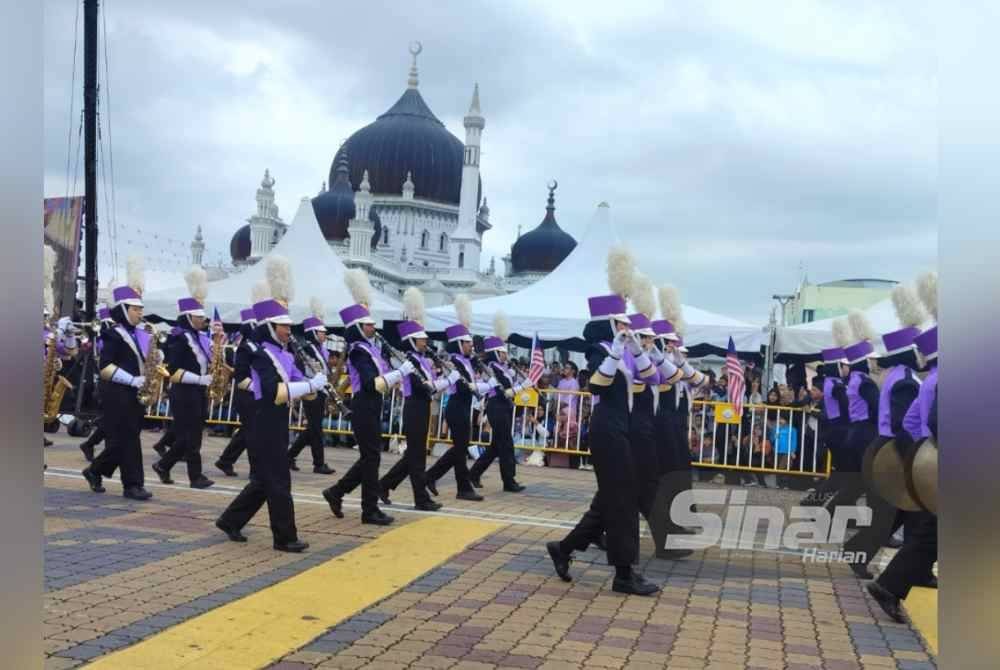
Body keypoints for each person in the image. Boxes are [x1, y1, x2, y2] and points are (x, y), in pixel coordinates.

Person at [547, 288, 659, 596]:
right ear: (608, 323)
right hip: (606, 430)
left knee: (613, 499)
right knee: (622, 500)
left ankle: (564, 547)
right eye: (621, 323)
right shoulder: (598, 350)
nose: (627, 328)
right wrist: (616, 350)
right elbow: (596, 385)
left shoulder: (623, 349)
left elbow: (652, 378)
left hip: (622, 429)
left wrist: (636, 348)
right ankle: (624, 574)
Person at [216, 262, 323, 552]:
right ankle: (284, 537)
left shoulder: (283, 351)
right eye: (284, 326)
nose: (290, 330)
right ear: (271, 327)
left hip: (275, 419)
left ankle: (230, 519)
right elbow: (276, 391)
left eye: (289, 325)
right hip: (264, 419)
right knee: (278, 480)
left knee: (265, 480)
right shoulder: (261, 353)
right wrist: (311, 386)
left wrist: (314, 386)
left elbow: (297, 382)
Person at [843, 293, 924, 579]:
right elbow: (905, 423)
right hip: (895, 450)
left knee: (903, 511)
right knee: (894, 510)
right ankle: (863, 554)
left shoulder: (897, 375)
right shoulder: (904, 380)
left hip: (888, 446)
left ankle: (914, 566)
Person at [867, 325, 939, 622]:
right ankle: (889, 585)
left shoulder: (929, 378)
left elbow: (909, 421)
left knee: (929, 528)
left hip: (928, 460)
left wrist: (916, 454)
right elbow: (934, 420)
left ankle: (900, 580)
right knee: (932, 531)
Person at [322, 297, 408, 525]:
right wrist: (399, 374)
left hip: (372, 405)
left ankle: (337, 492)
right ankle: (368, 509)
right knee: (371, 458)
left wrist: (396, 375)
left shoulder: (371, 349)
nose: (374, 327)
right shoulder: (359, 351)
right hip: (364, 404)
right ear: (359, 327)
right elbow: (371, 383)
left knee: (370, 457)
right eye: (368, 324)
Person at [82, 258, 153, 501]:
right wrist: (133, 380)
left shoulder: (141, 334)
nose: (140, 313)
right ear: (123, 310)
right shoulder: (112, 334)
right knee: (128, 440)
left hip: (134, 394)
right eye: (136, 309)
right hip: (116, 393)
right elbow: (105, 367)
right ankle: (132, 485)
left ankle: (94, 470)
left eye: (141, 308)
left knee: (126, 439)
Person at [379, 288, 452, 511]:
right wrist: (446, 382)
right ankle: (421, 498)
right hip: (415, 406)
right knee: (417, 457)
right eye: (421, 339)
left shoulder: (422, 358)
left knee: (414, 454)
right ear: (412, 340)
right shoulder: (409, 359)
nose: (426, 341)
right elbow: (423, 388)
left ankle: (384, 485)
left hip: (422, 407)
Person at [152, 268, 215, 490]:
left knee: (190, 436)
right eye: (199, 316)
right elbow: (173, 369)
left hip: (197, 391)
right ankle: (195, 477)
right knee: (191, 437)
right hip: (184, 391)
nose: (203, 319)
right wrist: (200, 380)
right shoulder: (178, 337)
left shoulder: (199, 337)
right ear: (188, 317)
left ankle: (164, 465)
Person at [424, 318, 491, 501]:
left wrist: (485, 383)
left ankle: (431, 476)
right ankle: (462, 488)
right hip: (456, 406)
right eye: (468, 343)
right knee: (460, 449)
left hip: (463, 407)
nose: (472, 346)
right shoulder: (454, 362)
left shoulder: (467, 361)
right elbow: (463, 387)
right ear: (459, 344)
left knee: (460, 449)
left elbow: (471, 384)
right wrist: (485, 386)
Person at [468, 317, 530, 493]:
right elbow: (506, 388)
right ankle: (509, 480)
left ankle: (473, 473)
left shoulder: (502, 367)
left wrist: (521, 376)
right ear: (495, 353)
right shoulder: (492, 367)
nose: (506, 355)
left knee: (496, 446)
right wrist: (523, 386)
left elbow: (512, 380)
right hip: (497, 406)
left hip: (504, 407)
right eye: (502, 352)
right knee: (506, 444)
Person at [286, 301, 336, 475]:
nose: (325, 335)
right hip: (311, 391)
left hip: (320, 391)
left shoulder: (320, 349)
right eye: (322, 332)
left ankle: (289, 456)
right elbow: (301, 370)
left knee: (313, 428)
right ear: (314, 332)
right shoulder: (306, 348)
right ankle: (318, 463)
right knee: (316, 429)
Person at [214, 304, 259, 477]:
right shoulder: (245, 347)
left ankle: (225, 460)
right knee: (252, 433)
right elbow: (240, 375)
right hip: (246, 395)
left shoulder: (255, 346)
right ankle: (255, 471)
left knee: (248, 431)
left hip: (253, 394)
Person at [78, 305, 116, 462]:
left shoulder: (102, 337)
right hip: (107, 382)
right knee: (111, 419)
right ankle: (100, 448)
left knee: (110, 419)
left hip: (111, 381)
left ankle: (92, 445)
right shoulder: (104, 337)